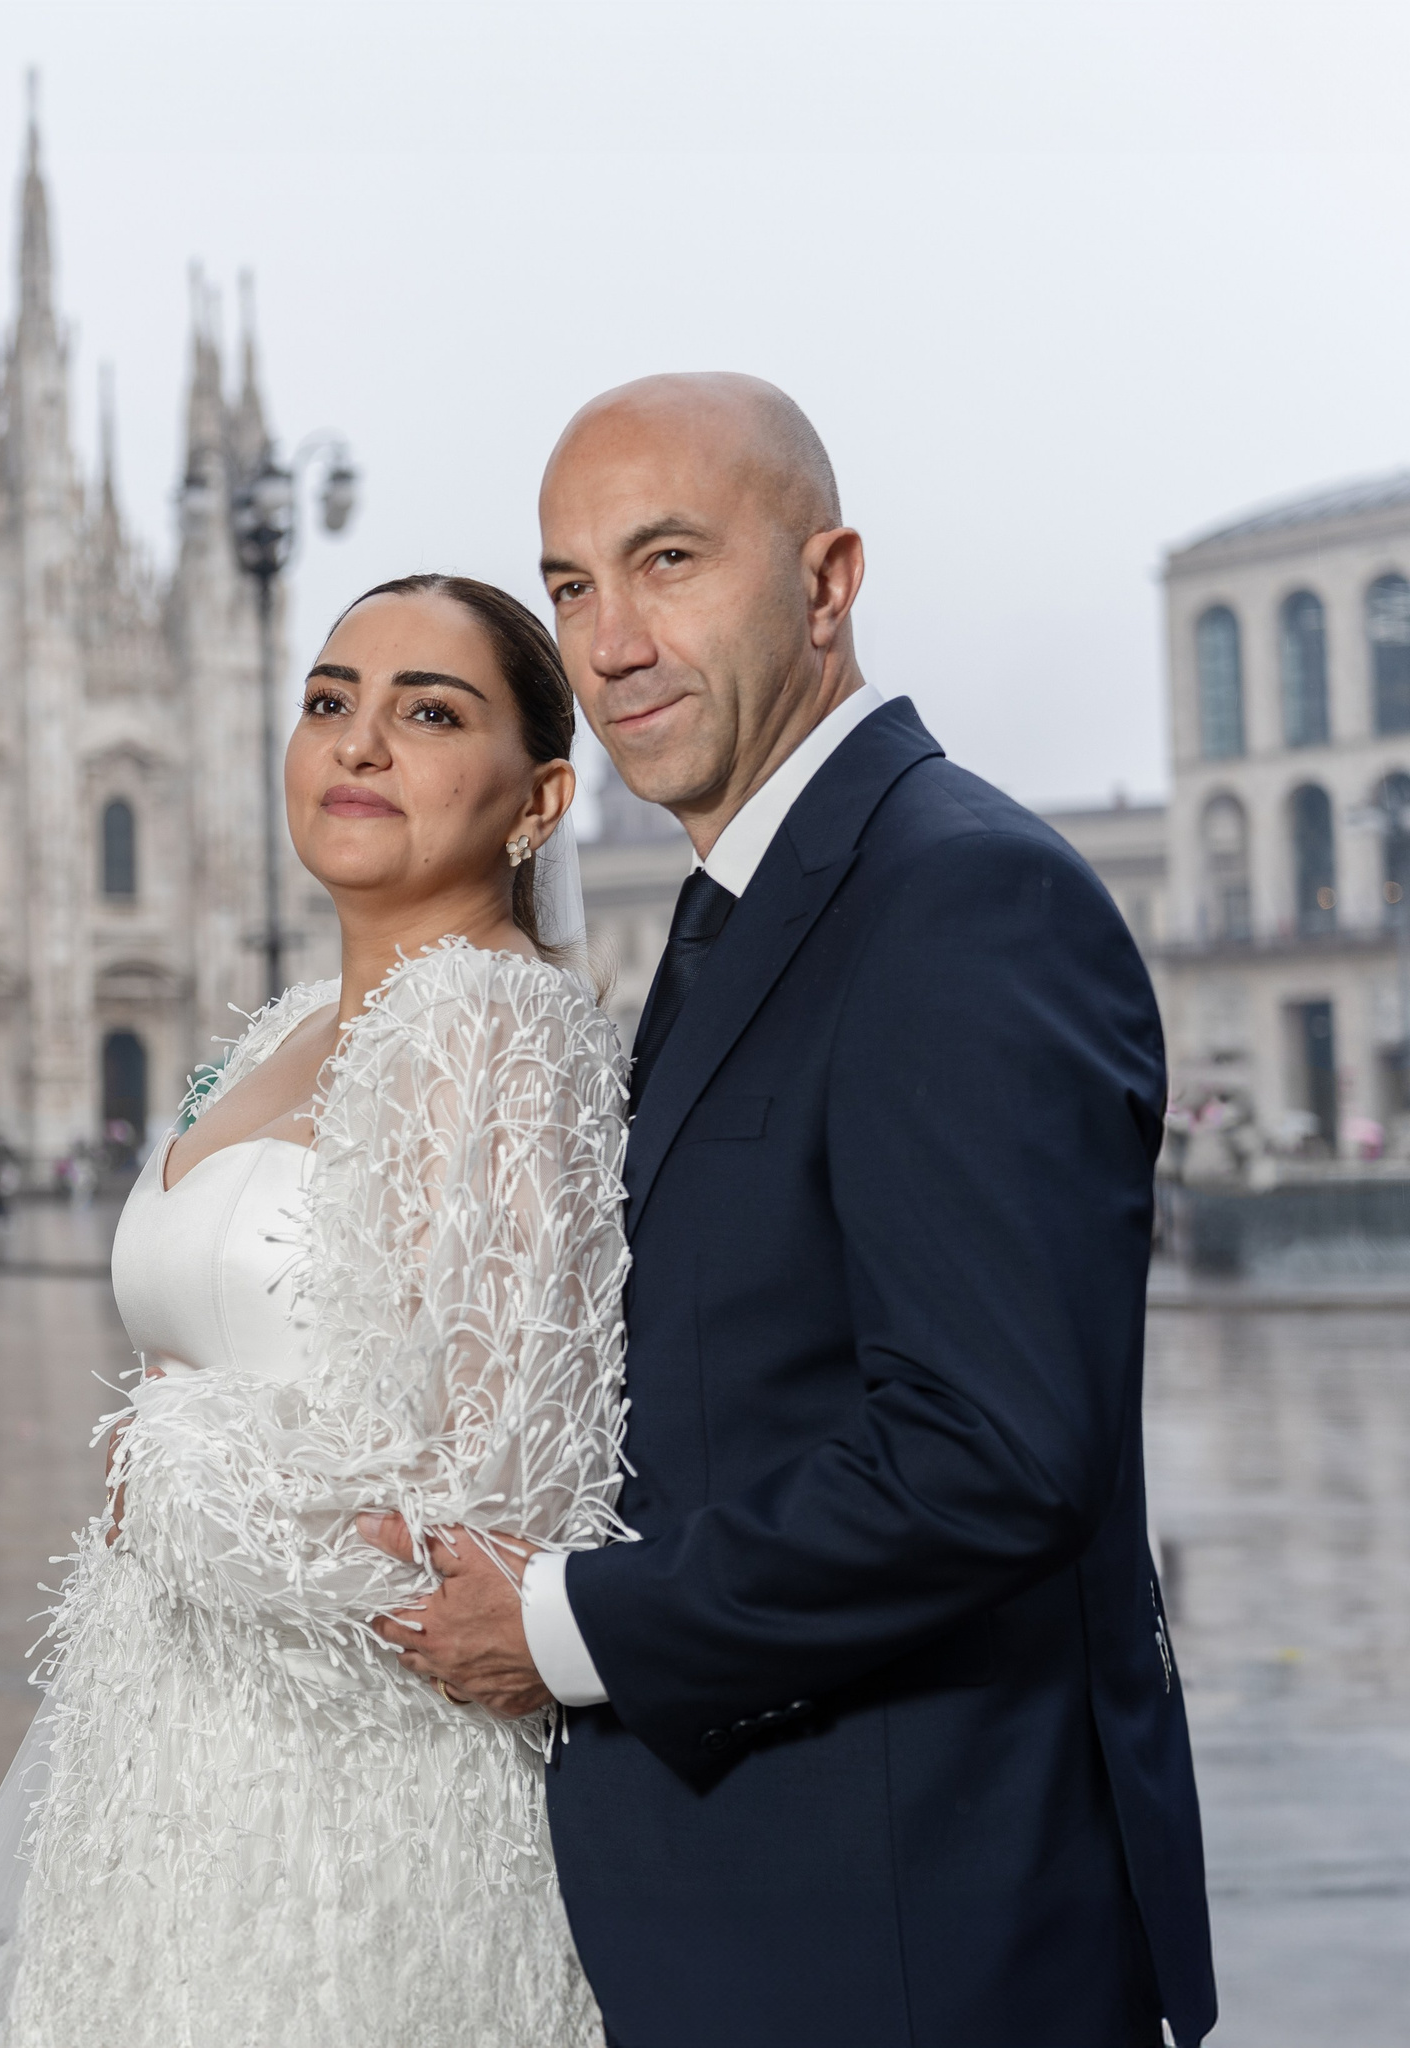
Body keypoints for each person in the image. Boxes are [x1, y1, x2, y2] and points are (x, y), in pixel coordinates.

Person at [379, 374, 1215, 2046]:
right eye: (569, 586)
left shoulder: (959, 898)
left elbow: (986, 1454)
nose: (607, 644)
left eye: (668, 560)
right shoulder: (748, 906)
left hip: (914, 1941)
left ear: (827, 584)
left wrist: (557, 1625)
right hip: (772, 1919)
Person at [0, 576, 629, 2047]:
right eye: (327, 701)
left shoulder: (490, 1025)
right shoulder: (290, 1023)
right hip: (160, 1779)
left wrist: (166, 1460)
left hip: (355, 1825)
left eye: (429, 712)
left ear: (538, 799)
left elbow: (487, 1524)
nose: (357, 744)